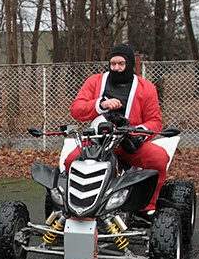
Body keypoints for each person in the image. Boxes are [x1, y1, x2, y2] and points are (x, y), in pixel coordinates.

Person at [65, 44, 168, 219]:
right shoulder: (95, 82)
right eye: (113, 64)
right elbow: (76, 110)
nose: (116, 68)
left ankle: (146, 207)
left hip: (129, 142)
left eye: (121, 64)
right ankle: (75, 207)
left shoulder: (146, 88)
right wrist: (100, 104)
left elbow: (155, 121)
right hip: (98, 141)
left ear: (129, 64)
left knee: (159, 159)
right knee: (70, 162)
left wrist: (138, 133)